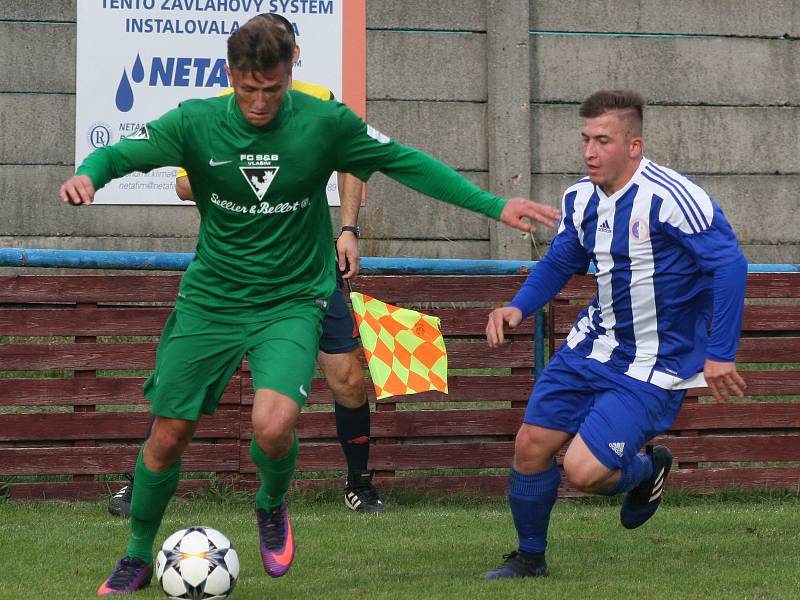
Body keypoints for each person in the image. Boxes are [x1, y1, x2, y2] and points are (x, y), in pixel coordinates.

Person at [59, 15, 560, 596]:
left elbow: (406, 162)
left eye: (272, 88)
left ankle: (271, 503)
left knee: (274, 426)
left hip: (292, 299)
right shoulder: (195, 121)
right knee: (169, 434)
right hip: (212, 300)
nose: (260, 102)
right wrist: (89, 175)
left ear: (291, 69)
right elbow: (124, 153)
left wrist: (494, 206)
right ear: (231, 76)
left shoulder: (325, 122)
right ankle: (138, 554)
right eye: (249, 89)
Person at [108, 12, 384, 520]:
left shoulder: (320, 104)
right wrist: (242, 173)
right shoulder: (215, 114)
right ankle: (138, 483)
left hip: (306, 275)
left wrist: (348, 229)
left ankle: (359, 483)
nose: (260, 98)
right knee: (178, 389)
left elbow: (356, 160)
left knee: (346, 378)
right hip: (231, 282)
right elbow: (182, 183)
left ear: (293, 55)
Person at [482, 90, 748, 579]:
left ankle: (648, 471)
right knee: (530, 446)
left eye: (602, 141)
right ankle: (530, 558)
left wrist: (720, 353)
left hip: (654, 364)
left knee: (582, 473)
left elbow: (730, 264)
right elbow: (563, 258)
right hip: (591, 347)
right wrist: (518, 307)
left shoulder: (671, 198)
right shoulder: (579, 197)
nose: (589, 152)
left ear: (634, 146)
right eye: (585, 139)